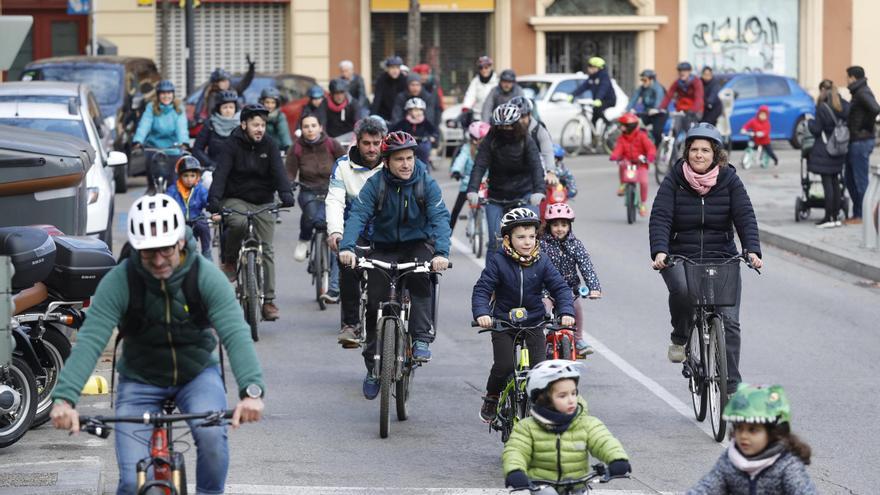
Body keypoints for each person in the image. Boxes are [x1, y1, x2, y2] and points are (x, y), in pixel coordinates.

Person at [50, 194, 266, 495]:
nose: (159, 260)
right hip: (140, 379)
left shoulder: (204, 276)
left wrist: (251, 391)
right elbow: (91, 340)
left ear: (179, 242)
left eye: (165, 249)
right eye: (148, 253)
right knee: (129, 482)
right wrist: (65, 399)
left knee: (213, 440)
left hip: (196, 375)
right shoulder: (121, 280)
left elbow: (235, 332)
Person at [338, 131, 451, 398]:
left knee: (421, 277)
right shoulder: (376, 184)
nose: (406, 164)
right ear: (386, 161)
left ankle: (421, 337)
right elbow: (358, 215)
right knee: (377, 301)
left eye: (409, 158)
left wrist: (442, 253)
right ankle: (373, 368)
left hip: (417, 244)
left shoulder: (426, 183)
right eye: (399, 159)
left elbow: (440, 218)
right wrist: (347, 248)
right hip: (384, 247)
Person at [649, 123, 762, 390]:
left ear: (716, 154)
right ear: (686, 152)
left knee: (730, 321)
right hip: (680, 254)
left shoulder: (730, 180)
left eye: (705, 150)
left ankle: (731, 386)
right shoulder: (674, 180)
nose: (699, 155)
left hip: (721, 254)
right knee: (683, 292)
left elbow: (745, 216)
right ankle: (680, 336)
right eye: (694, 150)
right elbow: (661, 217)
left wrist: (752, 249)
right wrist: (660, 250)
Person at [472, 208, 575, 422]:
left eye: (531, 236)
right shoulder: (498, 261)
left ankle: (537, 409)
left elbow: (561, 288)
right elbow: (482, 289)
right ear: (508, 239)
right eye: (521, 237)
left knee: (539, 369)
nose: (527, 242)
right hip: (503, 323)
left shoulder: (543, 261)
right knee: (504, 366)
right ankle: (491, 397)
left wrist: (565, 311)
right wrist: (482, 313)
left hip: (534, 321)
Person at [207, 104, 296, 321]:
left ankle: (268, 301)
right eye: (255, 124)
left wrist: (285, 194)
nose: (260, 129)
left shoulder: (270, 145)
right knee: (236, 223)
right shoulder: (231, 145)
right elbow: (221, 174)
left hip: (263, 201)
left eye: (263, 125)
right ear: (244, 124)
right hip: (236, 198)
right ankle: (230, 260)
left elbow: (279, 172)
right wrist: (214, 200)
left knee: (266, 249)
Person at [502, 360, 631, 491]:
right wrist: (515, 471)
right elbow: (516, 451)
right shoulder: (527, 427)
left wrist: (617, 460)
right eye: (562, 396)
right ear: (544, 399)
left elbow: (604, 442)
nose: (571, 400)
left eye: (574, 393)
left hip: (578, 486)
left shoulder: (587, 424)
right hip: (543, 487)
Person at [326, 116, 387, 348]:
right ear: (357, 143)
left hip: (387, 231)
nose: (372, 148)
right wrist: (335, 232)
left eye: (376, 143)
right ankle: (350, 324)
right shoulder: (343, 165)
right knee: (348, 265)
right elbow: (334, 200)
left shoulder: (393, 162)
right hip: (355, 228)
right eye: (366, 143)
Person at [688, 384, 816, 494]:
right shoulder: (731, 461)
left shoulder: (786, 465)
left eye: (753, 430)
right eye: (739, 428)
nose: (743, 435)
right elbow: (706, 488)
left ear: (773, 433)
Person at [466, 103, 545, 251]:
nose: (505, 130)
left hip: (524, 194)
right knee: (495, 243)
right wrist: (472, 190)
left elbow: (536, 166)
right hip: (496, 196)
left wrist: (539, 191)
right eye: (501, 126)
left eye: (509, 126)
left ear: (516, 124)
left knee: (531, 242)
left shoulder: (526, 140)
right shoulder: (491, 140)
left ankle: (533, 273)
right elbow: (480, 165)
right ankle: (491, 275)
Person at [540, 203, 601, 355]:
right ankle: (539, 341)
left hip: (568, 289)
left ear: (569, 226)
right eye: (555, 225)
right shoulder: (541, 244)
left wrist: (594, 288)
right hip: (545, 289)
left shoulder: (575, 245)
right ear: (548, 226)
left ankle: (578, 339)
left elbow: (586, 265)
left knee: (577, 309)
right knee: (542, 311)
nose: (560, 228)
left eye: (564, 225)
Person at [286, 114, 345, 268]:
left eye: (313, 125)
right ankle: (304, 240)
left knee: (331, 221)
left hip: (332, 189)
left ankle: (333, 255)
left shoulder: (332, 144)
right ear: (301, 129)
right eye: (306, 126)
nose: (310, 129)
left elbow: (345, 163)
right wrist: (289, 184)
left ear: (320, 127)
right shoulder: (296, 148)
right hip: (308, 190)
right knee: (310, 215)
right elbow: (290, 172)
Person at [132, 79, 189, 191]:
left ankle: (173, 197)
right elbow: (145, 124)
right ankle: (151, 188)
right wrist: (138, 140)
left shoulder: (178, 108)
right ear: (158, 95)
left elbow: (181, 126)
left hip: (173, 148)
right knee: (150, 171)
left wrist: (184, 142)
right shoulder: (151, 107)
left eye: (169, 93)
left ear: (173, 94)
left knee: (173, 183)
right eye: (163, 93)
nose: (166, 96)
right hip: (153, 147)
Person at [808, 79, 851, 228]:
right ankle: (836, 216)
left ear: (822, 91)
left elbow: (816, 130)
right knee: (835, 183)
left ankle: (828, 218)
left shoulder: (823, 107)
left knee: (828, 185)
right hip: (839, 149)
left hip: (826, 150)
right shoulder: (843, 105)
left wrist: (809, 122)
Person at [844, 65, 880, 224]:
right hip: (856, 140)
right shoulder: (858, 92)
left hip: (861, 141)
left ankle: (863, 215)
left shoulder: (862, 92)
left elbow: (875, 108)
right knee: (850, 179)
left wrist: (864, 128)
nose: (846, 80)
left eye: (848, 77)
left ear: (853, 77)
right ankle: (858, 213)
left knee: (859, 179)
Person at [610, 113, 657, 216]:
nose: (621, 127)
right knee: (622, 164)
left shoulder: (642, 136)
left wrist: (650, 156)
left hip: (641, 164)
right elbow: (618, 149)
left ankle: (643, 204)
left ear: (630, 127)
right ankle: (623, 184)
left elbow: (650, 148)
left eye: (623, 125)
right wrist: (614, 156)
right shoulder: (622, 138)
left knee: (644, 182)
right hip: (628, 162)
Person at [166, 155, 211, 259]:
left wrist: (214, 210)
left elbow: (208, 201)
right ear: (180, 176)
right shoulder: (173, 190)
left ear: (197, 177)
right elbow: (166, 202)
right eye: (185, 176)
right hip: (179, 221)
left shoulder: (200, 189)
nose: (189, 179)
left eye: (192, 175)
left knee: (203, 226)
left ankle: (206, 251)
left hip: (197, 218)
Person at [449, 121, 490, 230]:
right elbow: (460, 160)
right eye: (484, 138)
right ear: (474, 139)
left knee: (496, 209)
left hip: (487, 184)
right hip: (468, 183)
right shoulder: (467, 149)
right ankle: (446, 236)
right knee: (456, 210)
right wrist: (456, 170)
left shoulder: (491, 149)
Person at [196, 57, 256, 127]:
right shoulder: (212, 95)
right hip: (220, 125)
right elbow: (210, 113)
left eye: (227, 80)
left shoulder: (232, 89)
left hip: (234, 123)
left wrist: (251, 70)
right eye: (223, 81)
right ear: (216, 83)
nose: (226, 83)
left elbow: (245, 82)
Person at [509, 95, 556, 183]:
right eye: (516, 117)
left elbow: (548, 151)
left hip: (537, 170)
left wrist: (550, 172)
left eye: (523, 116)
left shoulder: (539, 129)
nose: (520, 121)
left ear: (529, 115)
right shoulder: (505, 129)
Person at [193, 90, 240, 172]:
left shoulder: (242, 126)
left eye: (231, 107)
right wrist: (210, 164)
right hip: (213, 170)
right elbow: (197, 149)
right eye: (225, 107)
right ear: (219, 109)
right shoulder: (210, 125)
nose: (228, 110)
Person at [659, 61, 705, 134]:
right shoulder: (677, 83)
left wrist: (693, 110)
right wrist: (660, 108)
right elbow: (668, 96)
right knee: (675, 128)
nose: (682, 73)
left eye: (685, 71)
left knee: (689, 129)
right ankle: (675, 144)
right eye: (680, 70)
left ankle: (690, 141)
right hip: (681, 110)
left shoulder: (696, 82)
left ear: (689, 71)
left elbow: (699, 99)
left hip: (695, 110)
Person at [390, 97, 438, 166]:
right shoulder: (404, 122)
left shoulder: (425, 122)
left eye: (419, 110)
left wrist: (433, 137)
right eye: (414, 110)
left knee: (424, 151)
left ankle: (425, 171)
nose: (417, 112)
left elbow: (434, 131)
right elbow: (393, 130)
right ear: (409, 111)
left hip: (422, 143)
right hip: (407, 144)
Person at [573, 56, 617, 130]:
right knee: (593, 120)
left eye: (592, 67)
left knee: (598, 110)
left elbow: (603, 88)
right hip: (597, 101)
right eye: (589, 67)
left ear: (598, 68)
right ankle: (595, 139)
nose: (589, 69)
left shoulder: (604, 77)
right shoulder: (592, 77)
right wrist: (572, 95)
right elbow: (583, 87)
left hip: (608, 100)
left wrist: (598, 99)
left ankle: (609, 125)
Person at [627, 69, 667, 145]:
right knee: (634, 124)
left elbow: (659, 100)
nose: (643, 82)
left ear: (651, 80)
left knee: (657, 132)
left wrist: (656, 109)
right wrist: (627, 109)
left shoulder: (658, 88)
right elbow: (634, 99)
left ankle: (658, 148)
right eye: (642, 80)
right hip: (648, 112)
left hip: (659, 113)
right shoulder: (641, 88)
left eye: (645, 80)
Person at [462, 55, 499, 124]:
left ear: (490, 67)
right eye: (481, 68)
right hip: (478, 116)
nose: (483, 70)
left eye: (486, 67)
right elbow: (470, 95)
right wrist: (466, 107)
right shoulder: (475, 81)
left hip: (494, 117)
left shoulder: (497, 81)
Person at [371, 55, 408, 122]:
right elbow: (377, 99)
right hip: (384, 114)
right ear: (387, 69)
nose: (395, 70)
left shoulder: (404, 80)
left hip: (401, 114)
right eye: (392, 68)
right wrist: (372, 116)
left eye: (397, 68)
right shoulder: (381, 80)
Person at [259, 87, 292, 153]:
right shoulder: (258, 115)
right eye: (267, 102)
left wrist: (288, 147)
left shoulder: (279, 116)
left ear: (277, 103)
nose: (270, 105)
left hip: (277, 149)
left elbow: (284, 133)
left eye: (273, 103)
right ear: (262, 102)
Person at [412, 63, 444, 128]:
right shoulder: (414, 87)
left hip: (433, 115)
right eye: (421, 74)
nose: (423, 77)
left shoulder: (434, 85)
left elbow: (439, 102)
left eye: (425, 74)